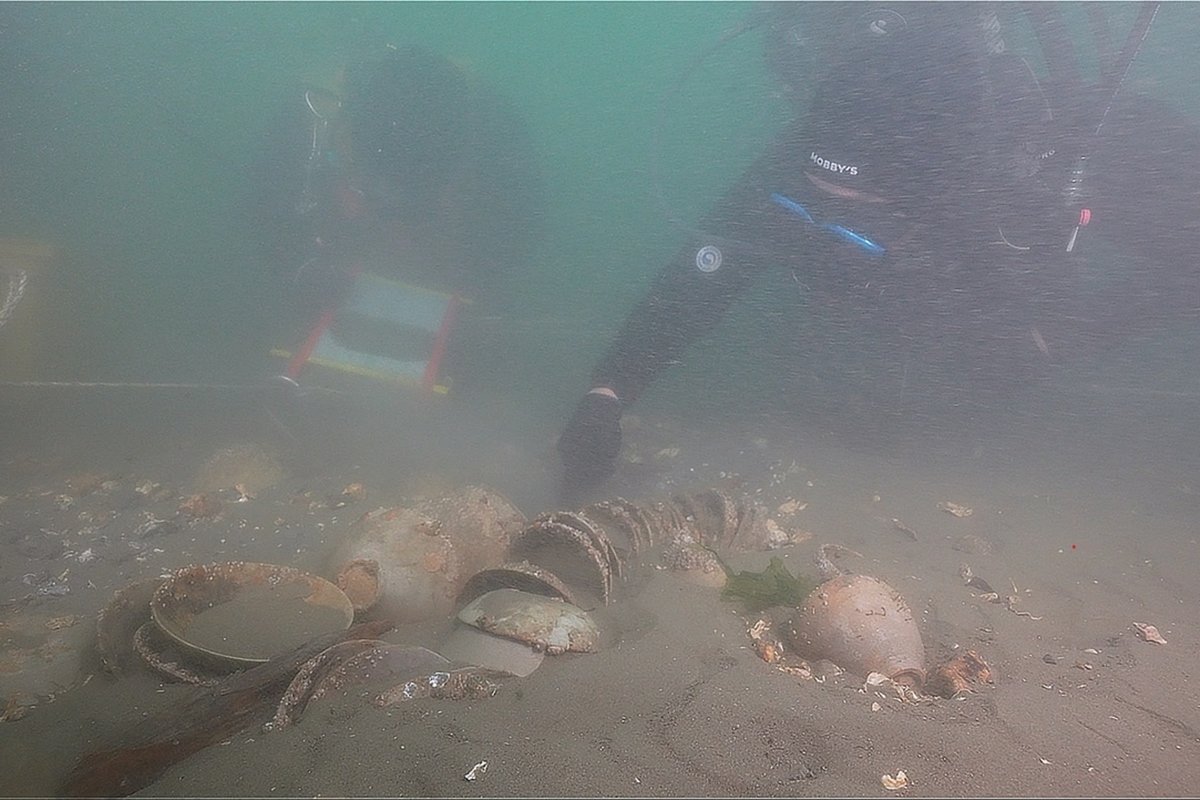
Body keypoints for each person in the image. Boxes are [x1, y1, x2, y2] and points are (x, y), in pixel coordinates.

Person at [557, 3, 1200, 499]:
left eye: (860, 212)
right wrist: (610, 390)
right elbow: (701, 277)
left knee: (997, 358)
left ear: (940, 186)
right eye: (819, 202)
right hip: (918, 316)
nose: (830, 227)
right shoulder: (804, 157)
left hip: (984, 313)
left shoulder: (1039, 166)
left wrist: (1068, 333)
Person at [255, 45, 544, 321]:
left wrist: (482, 293)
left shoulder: (499, 143)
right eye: (372, 190)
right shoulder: (309, 120)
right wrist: (301, 267)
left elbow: (518, 233)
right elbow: (261, 213)